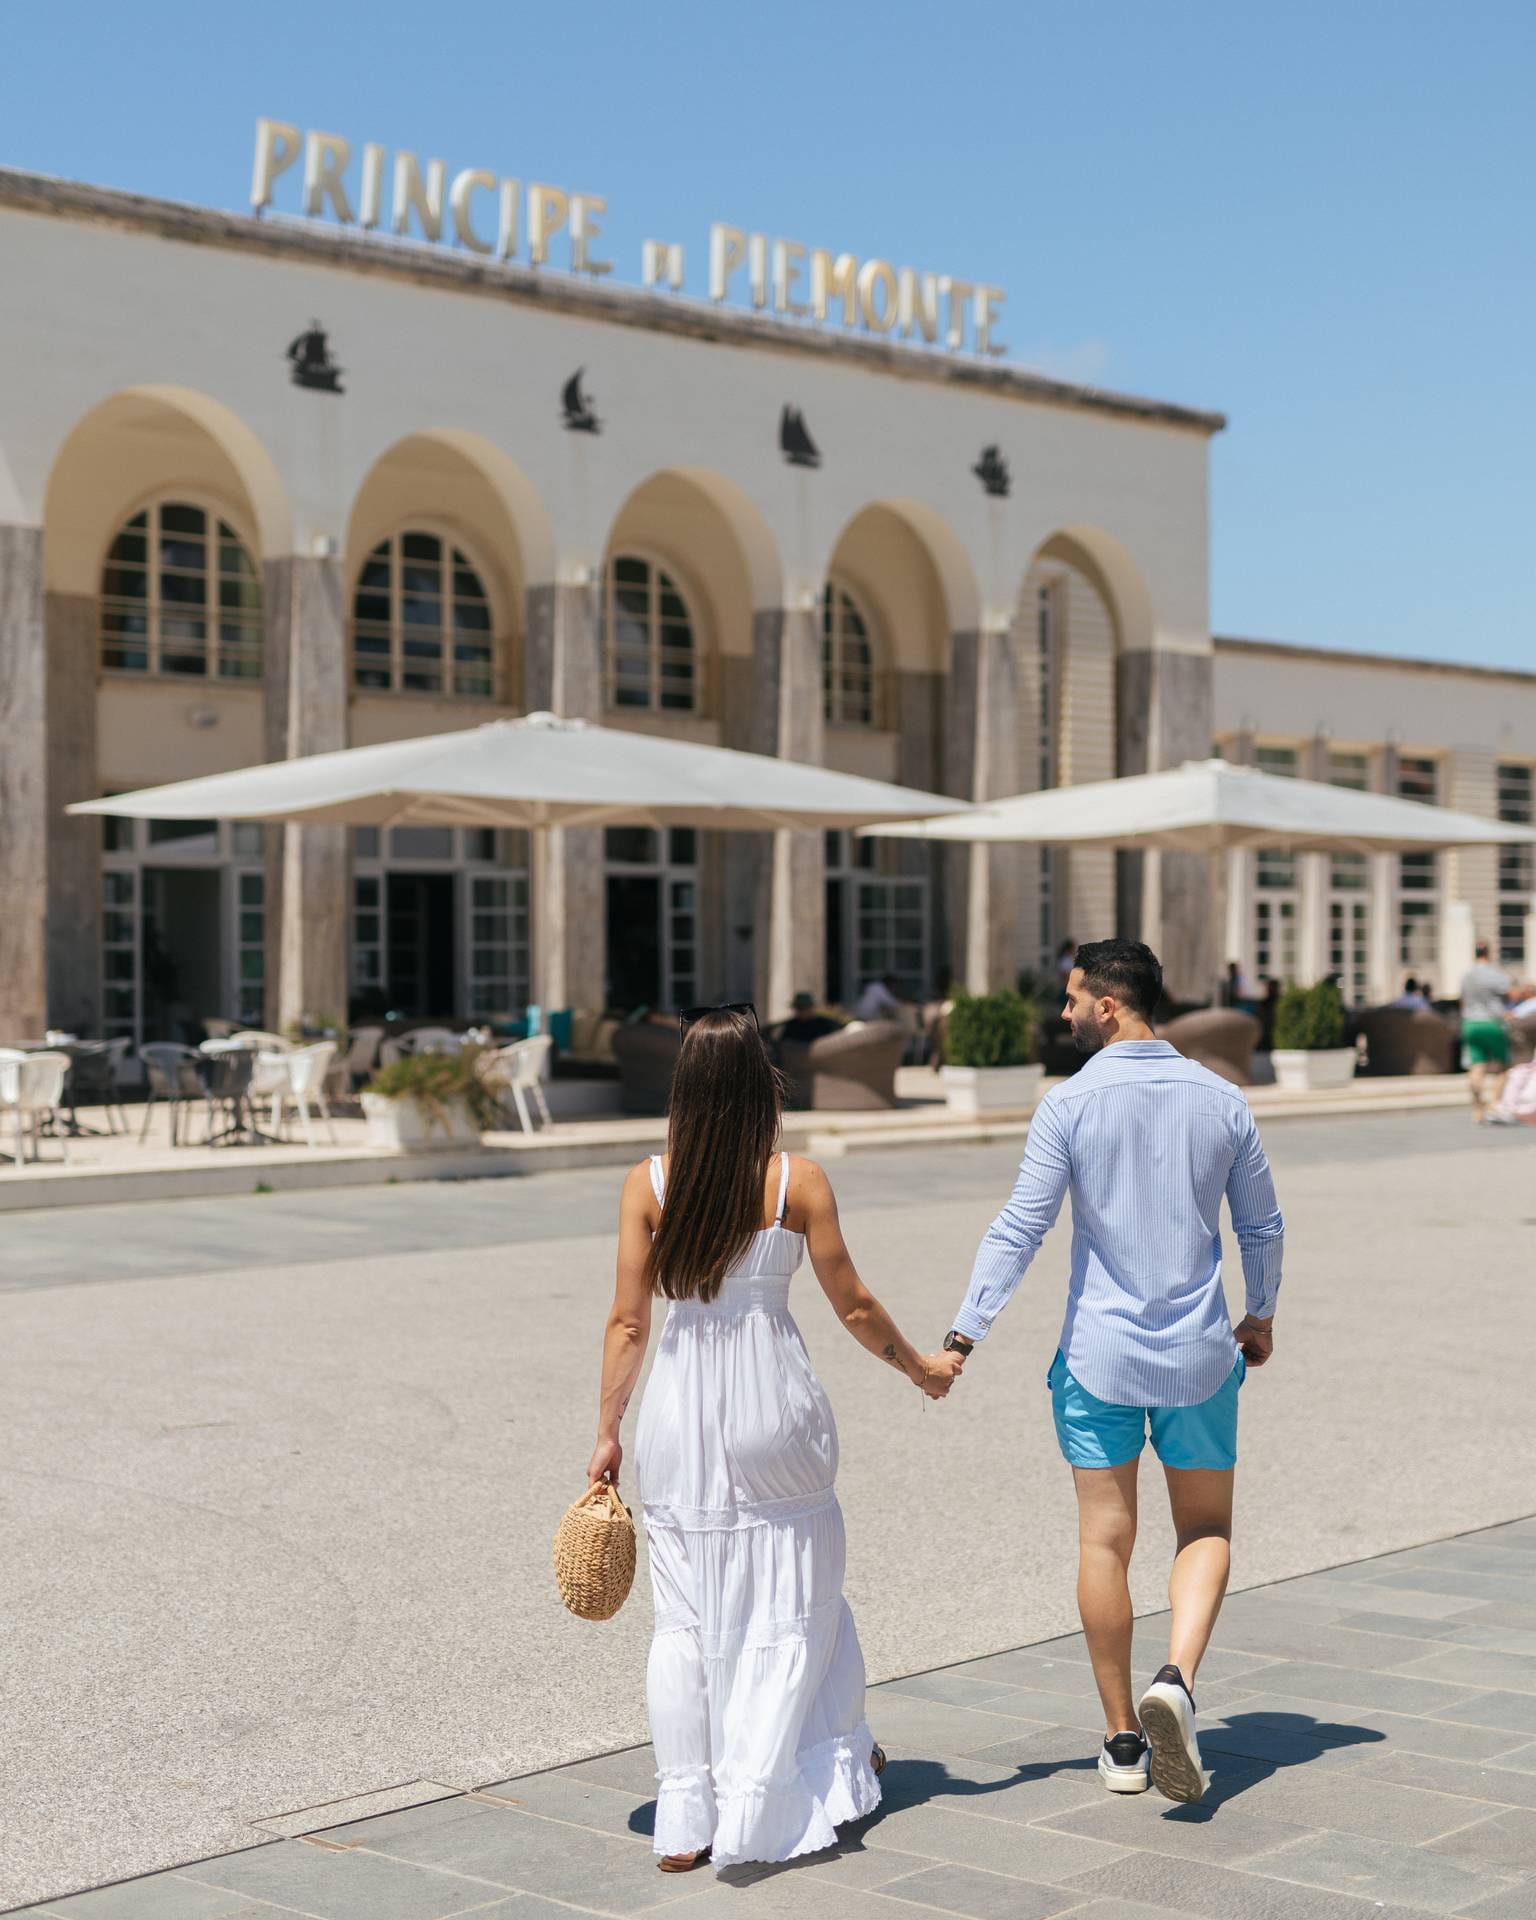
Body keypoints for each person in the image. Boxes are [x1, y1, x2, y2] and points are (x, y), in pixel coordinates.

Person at [587, 1005, 961, 1872]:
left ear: (684, 1087)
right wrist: (919, 1368)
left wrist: (607, 1431)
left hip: (680, 1407)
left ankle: (689, 1817)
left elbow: (627, 1323)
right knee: (798, 1596)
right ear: (765, 1083)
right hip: (775, 1407)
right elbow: (855, 1306)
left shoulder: (649, 1184)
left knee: (684, 1619)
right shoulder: (798, 1183)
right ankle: (793, 1779)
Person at [936, 939, 1283, 1804]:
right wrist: (1262, 1313)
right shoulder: (1223, 1099)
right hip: (1203, 1353)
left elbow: (1021, 1227)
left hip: (1098, 1356)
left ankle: (1124, 1739)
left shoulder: (1070, 1105)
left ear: (1108, 1005)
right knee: (1205, 1528)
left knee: (1105, 1539)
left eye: (1071, 997)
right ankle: (1180, 1678)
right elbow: (1262, 1227)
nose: (1062, 1012)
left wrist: (964, 1335)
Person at [1459, 941, 1512, 1124]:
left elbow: (1463, 1001)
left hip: (1471, 1023)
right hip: (1492, 1023)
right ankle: (1493, 1103)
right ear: (1488, 954)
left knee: (1477, 1065)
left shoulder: (1466, 976)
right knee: (1503, 1067)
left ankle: (1477, 1111)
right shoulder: (1495, 974)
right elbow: (1509, 996)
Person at [777, 991, 843, 1046]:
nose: (800, 1012)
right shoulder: (792, 1025)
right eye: (798, 1009)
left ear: (810, 1008)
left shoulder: (824, 1023)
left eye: (803, 1008)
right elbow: (783, 1042)